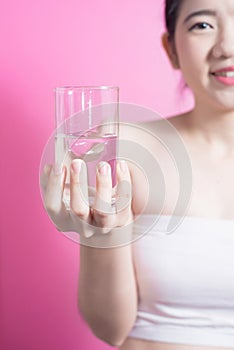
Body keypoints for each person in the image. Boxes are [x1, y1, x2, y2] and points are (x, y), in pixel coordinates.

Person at [42, 0, 234, 348]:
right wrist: (99, 235)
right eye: (202, 25)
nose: (227, 46)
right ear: (171, 49)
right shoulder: (126, 148)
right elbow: (109, 328)